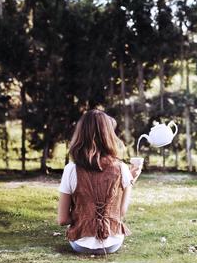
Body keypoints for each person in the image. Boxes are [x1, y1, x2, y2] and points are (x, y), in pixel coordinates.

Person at [57, 109, 142, 254]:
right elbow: (120, 213)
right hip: (113, 243)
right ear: (109, 135)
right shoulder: (122, 167)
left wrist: (84, 217)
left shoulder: (71, 169)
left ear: (80, 135)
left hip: (81, 244)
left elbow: (62, 219)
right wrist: (129, 181)